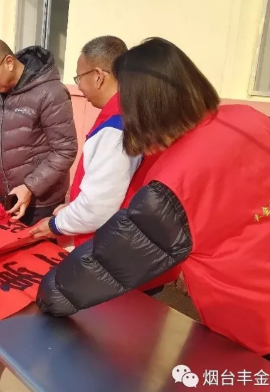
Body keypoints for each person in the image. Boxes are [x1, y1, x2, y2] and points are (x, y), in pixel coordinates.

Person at [37, 38, 270, 392]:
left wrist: (51, 295)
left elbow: (110, 262)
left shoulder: (175, 181)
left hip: (257, 309)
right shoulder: (246, 118)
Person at [28, 35, 178, 295]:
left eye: (79, 77)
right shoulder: (140, 112)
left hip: (118, 258)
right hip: (144, 250)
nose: (79, 87)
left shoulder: (116, 127)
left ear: (98, 76)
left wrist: (55, 225)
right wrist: (72, 207)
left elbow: (98, 207)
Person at [0, 36, 78, 226]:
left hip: (41, 200)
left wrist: (30, 187)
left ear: (9, 62)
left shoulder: (50, 92)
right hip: (9, 195)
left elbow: (65, 150)